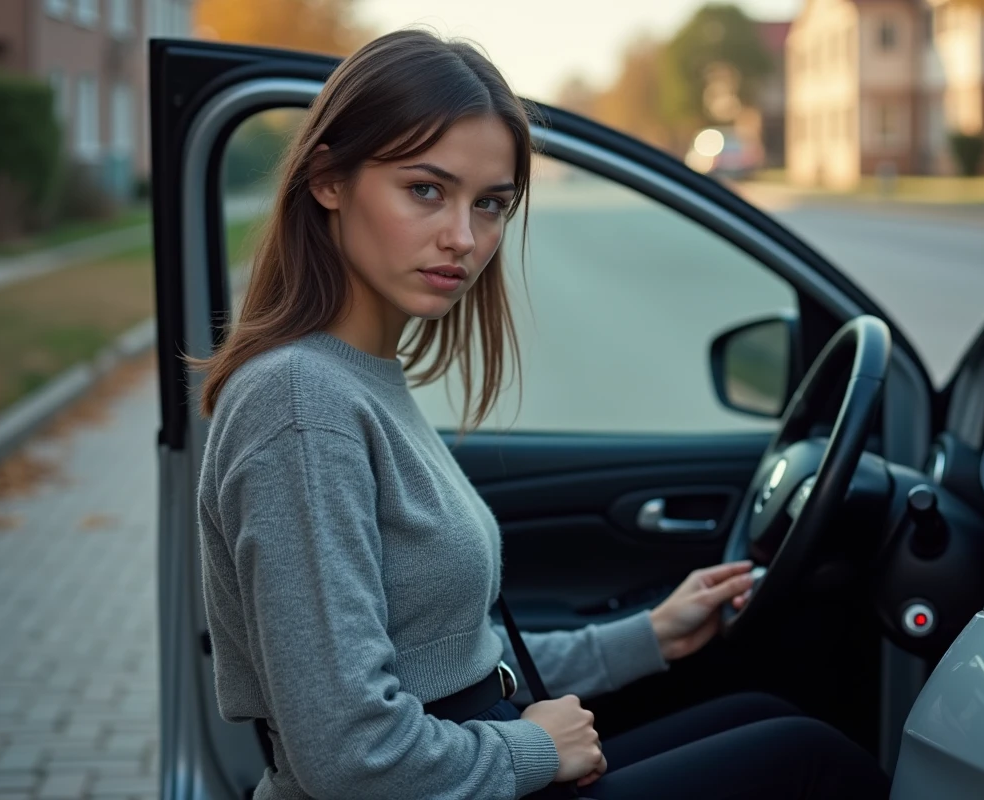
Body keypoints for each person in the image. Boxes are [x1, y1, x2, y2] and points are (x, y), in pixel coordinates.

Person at [192, 28, 891, 800]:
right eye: (426, 190)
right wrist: (528, 751)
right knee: (808, 761)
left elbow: (453, 662)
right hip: (436, 781)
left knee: (763, 715)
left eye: (490, 204)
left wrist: (649, 636)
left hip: (464, 756)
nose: (464, 237)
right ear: (329, 179)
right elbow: (348, 754)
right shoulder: (300, 403)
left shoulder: (360, 380)